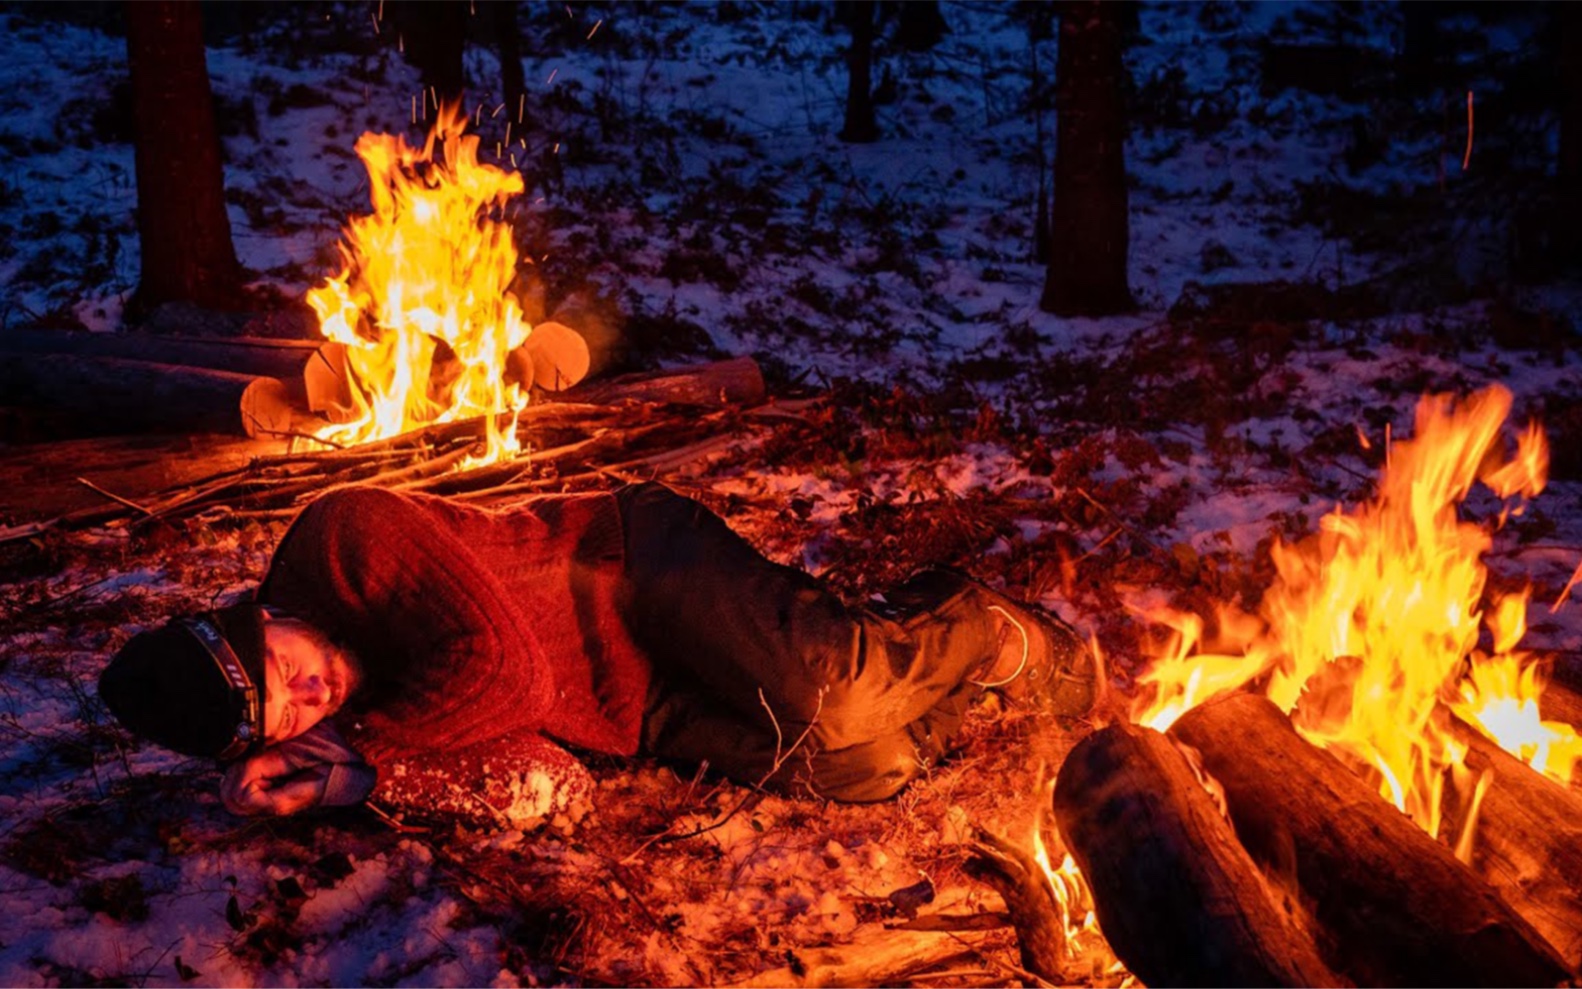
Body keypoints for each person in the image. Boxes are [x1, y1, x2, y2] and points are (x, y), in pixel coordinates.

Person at [99, 483, 1095, 825]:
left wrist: (357, 744)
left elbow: (504, 672)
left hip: (636, 570)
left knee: (829, 694)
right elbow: (548, 779)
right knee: (869, 767)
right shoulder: (354, 734)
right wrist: (341, 783)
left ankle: (982, 626)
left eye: (282, 669)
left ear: (258, 616)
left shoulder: (342, 539)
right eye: (293, 716)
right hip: (637, 708)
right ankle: (950, 674)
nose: (312, 691)